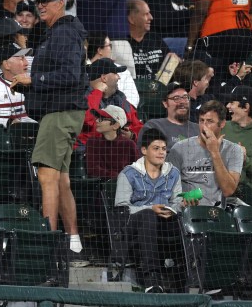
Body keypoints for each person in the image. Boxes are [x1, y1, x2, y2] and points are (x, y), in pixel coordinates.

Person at [15, 0, 87, 257]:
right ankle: (72, 242)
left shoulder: (65, 33)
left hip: (60, 112)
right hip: (63, 111)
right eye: (38, 1)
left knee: (46, 176)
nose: (40, 5)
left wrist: (34, 79)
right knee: (61, 180)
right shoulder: (58, 32)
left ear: (61, 3)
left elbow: (70, 75)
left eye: (46, 0)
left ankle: (49, 247)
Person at [116, 128, 185, 292]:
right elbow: (122, 208)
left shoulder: (173, 173)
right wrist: (150, 208)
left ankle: (183, 278)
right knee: (148, 215)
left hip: (164, 224)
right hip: (134, 226)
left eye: (164, 149)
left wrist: (174, 209)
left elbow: (178, 201)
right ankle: (152, 279)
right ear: (144, 150)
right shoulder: (128, 174)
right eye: (156, 148)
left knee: (182, 219)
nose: (161, 153)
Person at [166, 99, 243, 207]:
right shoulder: (179, 148)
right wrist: (181, 203)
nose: (204, 126)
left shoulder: (234, 150)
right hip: (186, 212)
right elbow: (167, 188)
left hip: (217, 214)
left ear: (222, 124)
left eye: (210, 121)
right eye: (201, 120)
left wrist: (214, 151)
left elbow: (228, 190)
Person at [77, 58, 143, 148]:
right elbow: (86, 119)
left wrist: (132, 135)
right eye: (115, 73)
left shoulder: (120, 99)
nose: (119, 77)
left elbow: (139, 127)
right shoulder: (81, 96)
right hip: (89, 152)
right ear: (104, 78)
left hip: (118, 151)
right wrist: (97, 92)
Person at [86, 105, 140, 179]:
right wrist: (118, 176)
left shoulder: (129, 145)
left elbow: (137, 171)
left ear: (115, 125)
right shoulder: (92, 143)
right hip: (98, 187)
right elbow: (92, 170)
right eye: (97, 118)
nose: (97, 121)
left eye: (102, 119)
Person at [143, 82, 200, 148]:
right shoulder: (154, 126)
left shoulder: (198, 129)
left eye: (185, 97)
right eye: (176, 98)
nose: (182, 102)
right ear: (165, 103)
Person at [127, 0, 169, 80]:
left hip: (159, 88)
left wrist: (161, 84)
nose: (151, 17)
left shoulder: (155, 38)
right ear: (131, 19)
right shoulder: (122, 43)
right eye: (146, 14)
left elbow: (171, 62)